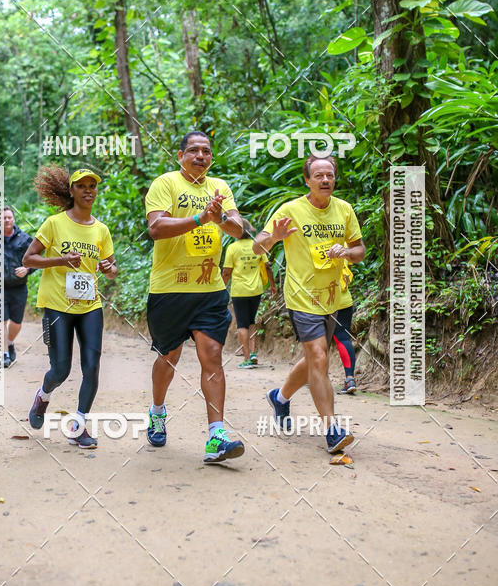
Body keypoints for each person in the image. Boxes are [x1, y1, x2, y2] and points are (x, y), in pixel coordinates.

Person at [145, 130, 246, 463]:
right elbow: (156, 228)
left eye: (206, 151)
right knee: (169, 358)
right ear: (180, 156)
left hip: (209, 289)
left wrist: (221, 218)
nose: (200, 156)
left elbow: (237, 228)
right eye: (193, 151)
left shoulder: (220, 187)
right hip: (169, 290)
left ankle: (216, 435)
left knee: (213, 355)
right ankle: (158, 409)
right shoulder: (166, 183)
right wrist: (201, 217)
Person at [253, 154, 365, 454]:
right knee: (318, 357)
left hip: (334, 297)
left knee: (316, 359)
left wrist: (348, 253)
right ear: (307, 180)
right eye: (318, 176)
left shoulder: (344, 210)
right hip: (302, 298)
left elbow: (360, 250)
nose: (325, 180)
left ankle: (280, 396)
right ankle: (332, 430)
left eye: (329, 175)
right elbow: (256, 246)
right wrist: (274, 237)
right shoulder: (291, 210)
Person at [23, 166, 118, 449]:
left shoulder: (101, 230)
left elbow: (112, 269)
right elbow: (28, 259)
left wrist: (108, 267)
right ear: (72, 191)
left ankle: (78, 426)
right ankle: (43, 395)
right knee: (61, 370)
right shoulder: (54, 224)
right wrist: (60, 260)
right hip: (57, 306)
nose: (89, 190)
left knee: (92, 368)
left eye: (93, 186)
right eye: (82, 186)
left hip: (90, 305)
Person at [222, 219, 277, 367]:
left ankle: (246, 359)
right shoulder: (257, 246)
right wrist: (272, 285)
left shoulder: (232, 248)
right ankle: (253, 353)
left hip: (240, 291)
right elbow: (267, 266)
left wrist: (221, 287)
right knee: (251, 321)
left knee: (242, 323)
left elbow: (227, 271)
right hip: (256, 290)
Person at [0, 207, 34, 368]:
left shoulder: (25, 239)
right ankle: (4, 354)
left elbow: (37, 258)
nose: (6, 220)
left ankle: (10, 342)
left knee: (16, 322)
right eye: (3, 218)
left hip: (19, 287)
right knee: (1, 320)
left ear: (13, 219)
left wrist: (27, 269)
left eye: (9, 217)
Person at [333, 261, 357, 394]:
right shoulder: (342, 244)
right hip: (344, 301)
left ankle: (316, 377)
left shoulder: (313, 244)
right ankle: (350, 379)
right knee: (343, 337)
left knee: (318, 340)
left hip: (324, 302)